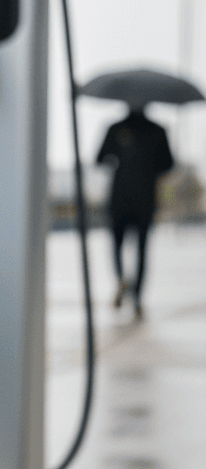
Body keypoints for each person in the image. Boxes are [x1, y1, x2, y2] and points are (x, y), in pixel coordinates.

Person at [96, 107, 173, 318]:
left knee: (118, 245)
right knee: (141, 248)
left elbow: (100, 158)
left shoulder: (116, 128)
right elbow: (168, 164)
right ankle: (136, 295)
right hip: (144, 199)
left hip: (121, 197)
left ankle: (122, 279)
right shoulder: (157, 130)